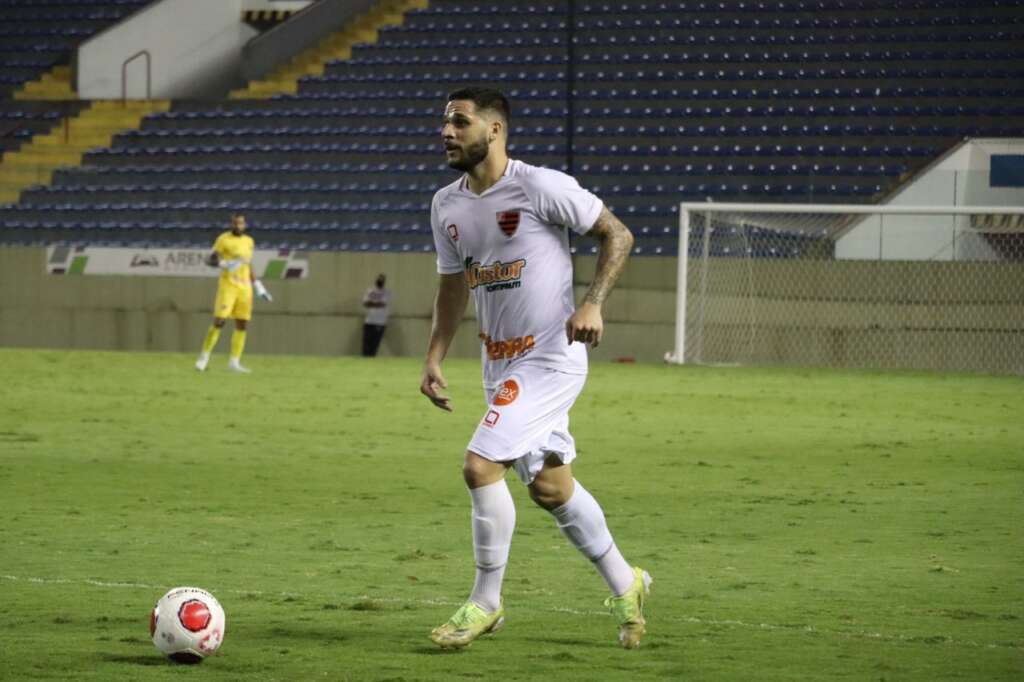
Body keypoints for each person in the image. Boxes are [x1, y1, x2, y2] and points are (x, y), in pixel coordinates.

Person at [420, 87, 649, 650]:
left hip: (551, 356)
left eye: (459, 121)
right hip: (498, 364)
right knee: (551, 487)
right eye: (444, 122)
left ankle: (485, 602)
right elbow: (453, 286)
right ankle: (628, 583)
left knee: (479, 466)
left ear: (494, 130)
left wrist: (592, 301)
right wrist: (434, 355)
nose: (446, 131)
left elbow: (617, 234)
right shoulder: (445, 205)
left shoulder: (539, 186)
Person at [194, 213, 272, 373]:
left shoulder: (249, 241)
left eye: (241, 223)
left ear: (245, 224)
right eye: (235, 224)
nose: (238, 226)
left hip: (245, 288)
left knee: (242, 323)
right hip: (228, 286)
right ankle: (203, 358)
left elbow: (248, 265)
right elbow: (209, 259)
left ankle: (234, 362)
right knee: (220, 321)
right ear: (231, 224)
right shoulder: (224, 239)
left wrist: (258, 286)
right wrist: (224, 263)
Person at [361, 273, 391, 357]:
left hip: (380, 323)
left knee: (374, 345)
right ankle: (364, 361)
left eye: (381, 280)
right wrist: (376, 303)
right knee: (366, 344)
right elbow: (365, 303)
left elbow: (383, 304)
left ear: (384, 281)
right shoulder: (370, 291)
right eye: (378, 279)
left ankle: (371, 360)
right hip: (368, 321)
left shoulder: (387, 292)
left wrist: (372, 303)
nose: (379, 281)